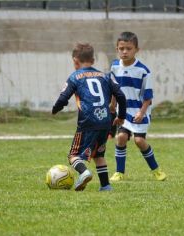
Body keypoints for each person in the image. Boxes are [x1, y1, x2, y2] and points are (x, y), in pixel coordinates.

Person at [52, 43, 126, 191]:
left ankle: (84, 172)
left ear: (75, 61)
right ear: (93, 60)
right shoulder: (105, 76)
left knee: (73, 155)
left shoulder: (75, 77)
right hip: (106, 121)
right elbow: (121, 95)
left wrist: (55, 109)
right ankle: (105, 186)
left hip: (87, 121)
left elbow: (63, 98)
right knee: (99, 154)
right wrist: (121, 116)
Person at [109, 31, 167, 182]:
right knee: (121, 137)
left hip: (140, 111)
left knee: (139, 141)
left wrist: (141, 113)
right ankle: (119, 172)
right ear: (117, 49)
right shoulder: (114, 67)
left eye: (129, 48)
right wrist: (112, 105)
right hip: (124, 111)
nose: (125, 52)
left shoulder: (143, 71)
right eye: (121, 48)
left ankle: (156, 170)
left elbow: (148, 97)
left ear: (136, 50)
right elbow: (114, 89)